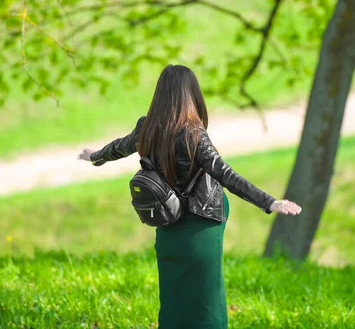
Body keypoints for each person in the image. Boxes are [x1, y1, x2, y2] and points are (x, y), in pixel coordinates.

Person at [78, 64, 302, 329]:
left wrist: (95, 157)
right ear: (191, 94)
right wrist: (269, 202)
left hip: (167, 223)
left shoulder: (146, 129)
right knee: (207, 298)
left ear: (160, 95)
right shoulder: (193, 134)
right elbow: (226, 175)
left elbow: (118, 148)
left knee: (173, 294)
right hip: (202, 225)